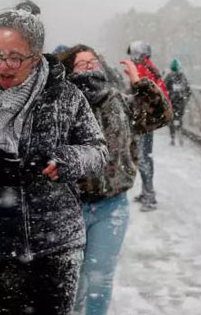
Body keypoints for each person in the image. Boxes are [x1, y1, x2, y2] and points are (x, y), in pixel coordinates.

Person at [0, 0, 108, 315]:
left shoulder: (64, 95)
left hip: (58, 241)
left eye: (15, 57)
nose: (4, 65)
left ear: (35, 58)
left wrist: (68, 160)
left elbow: (98, 150)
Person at [58, 44, 172, 315]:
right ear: (69, 70)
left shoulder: (119, 101)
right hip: (70, 206)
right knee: (74, 280)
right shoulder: (62, 105)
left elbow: (161, 116)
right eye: (81, 63)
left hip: (111, 206)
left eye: (92, 61)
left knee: (99, 276)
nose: (88, 66)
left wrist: (140, 85)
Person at [127, 40, 170, 212]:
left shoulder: (144, 68)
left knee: (144, 158)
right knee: (146, 157)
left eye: (132, 52)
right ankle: (146, 192)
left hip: (144, 120)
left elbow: (145, 93)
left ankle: (149, 196)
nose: (131, 56)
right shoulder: (149, 66)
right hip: (147, 120)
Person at [164, 58, 192, 146]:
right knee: (179, 118)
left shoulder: (169, 77)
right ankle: (180, 134)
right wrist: (186, 99)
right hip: (181, 102)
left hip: (171, 102)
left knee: (171, 120)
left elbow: (164, 89)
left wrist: (167, 99)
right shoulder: (182, 76)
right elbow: (188, 90)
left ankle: (172, 138)